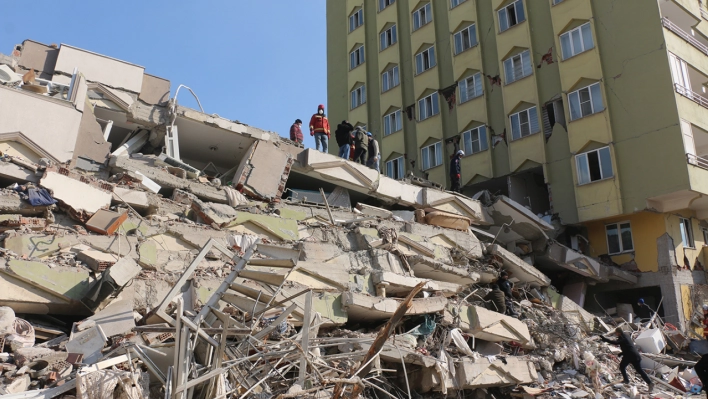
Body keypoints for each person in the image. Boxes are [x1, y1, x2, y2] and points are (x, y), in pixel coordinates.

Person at [600, 328, 654, 392]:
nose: (615, 334)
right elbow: (628, 346)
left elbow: (615, 343)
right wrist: (622, 353)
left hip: (630, 355)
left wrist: (605, 339)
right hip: (635, 355)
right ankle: (650, 383)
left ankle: (626, 380)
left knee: (622, 366)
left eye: (616, 333)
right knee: (639, 370)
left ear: (618, 332)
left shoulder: (622, 338)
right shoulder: (626, 336)